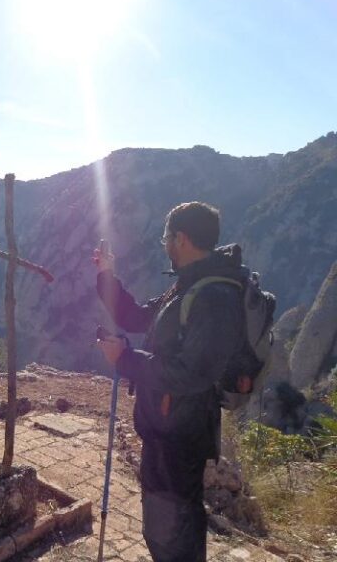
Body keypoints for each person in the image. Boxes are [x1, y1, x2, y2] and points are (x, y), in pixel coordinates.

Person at [95, 202, 246, 562]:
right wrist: (106, 275)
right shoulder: (186, 287)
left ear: (181, 238)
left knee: (171, 532)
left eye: (167, 237)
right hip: (166, 429)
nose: (164, 244)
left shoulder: (214, 297)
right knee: (166, 526)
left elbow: (192, 375)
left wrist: (126, 360)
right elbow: (134, 316)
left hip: (180, 436)